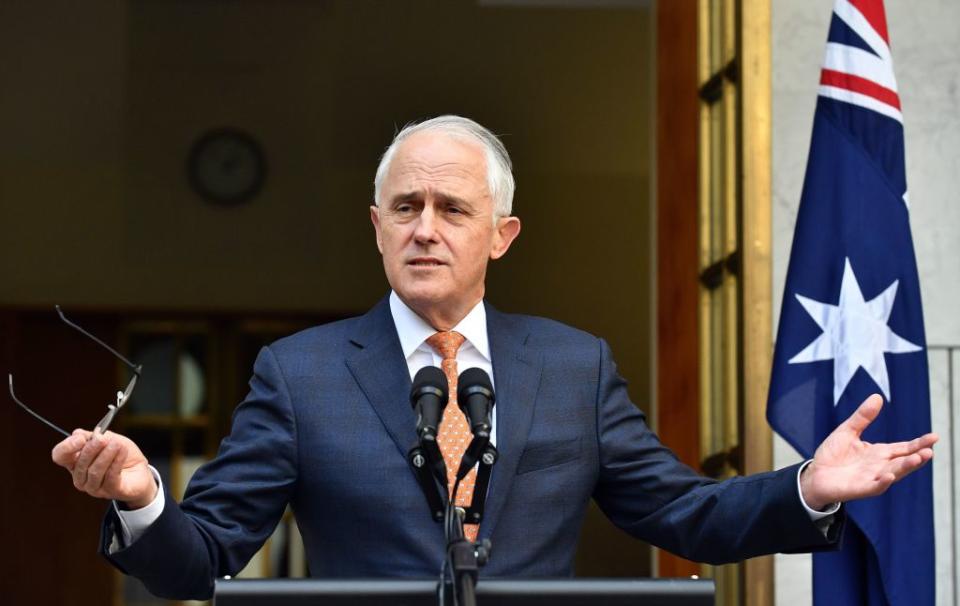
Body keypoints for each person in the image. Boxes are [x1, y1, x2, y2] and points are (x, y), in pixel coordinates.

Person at [52, 116, 937, 600]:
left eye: (451, 208)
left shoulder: (573, 366)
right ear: (376, 228)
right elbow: (199, 560)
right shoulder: (301, 373)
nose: (424, 227)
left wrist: (808, 487)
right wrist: (141, 499)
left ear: (502, 234)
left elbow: (685, 514)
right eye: (404, 207)